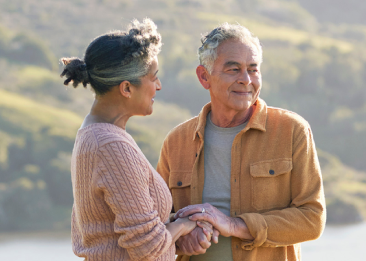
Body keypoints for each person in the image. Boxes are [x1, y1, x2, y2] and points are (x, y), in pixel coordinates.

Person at [156, 23, 326, 261]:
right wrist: (182, 237)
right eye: (233, 69)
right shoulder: (176, 142)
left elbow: (312, 219)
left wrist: (233, 225)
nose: (246, 80)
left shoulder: (292, 131)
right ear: (204, 77)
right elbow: (157, 222)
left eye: (253, 69)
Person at [60, 18, 211, 261]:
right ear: (127, 88)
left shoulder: (95, 135)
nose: (159, 86)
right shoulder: (111, 145)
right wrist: (183, 225)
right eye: (153, 78)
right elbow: (147, 248)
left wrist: (176, 233)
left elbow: (118, 231)